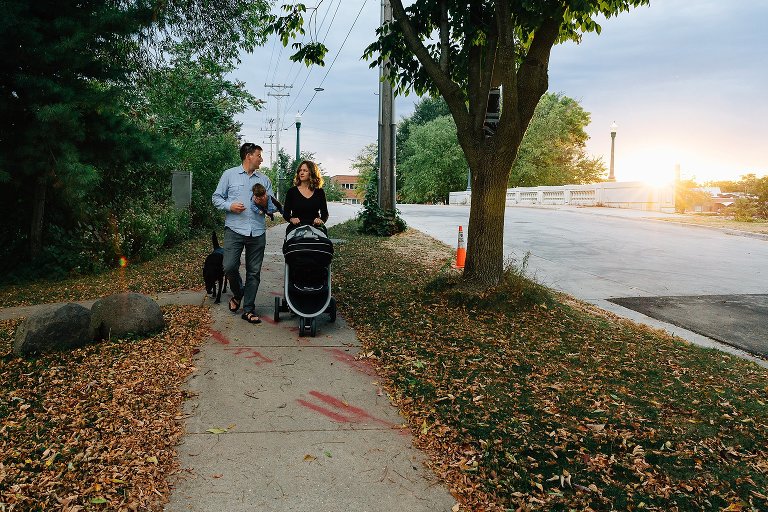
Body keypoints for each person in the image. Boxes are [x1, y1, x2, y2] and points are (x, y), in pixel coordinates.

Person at [212, 143, 274, 324]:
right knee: (229, 267)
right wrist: (229, 206)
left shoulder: (264, 180)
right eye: (259, 155)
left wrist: (263, 203)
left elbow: (271, 208)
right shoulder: (229, 175)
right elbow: (216, 198)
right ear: (248, 156)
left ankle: (248, 309)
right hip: (234, 229)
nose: (261, 159)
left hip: (257, 231)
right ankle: (238, 294)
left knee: (254, 273)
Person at [282, 160, 329, 235]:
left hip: (315, 227)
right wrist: (291, 219)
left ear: (312, 173)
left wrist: (320, 220)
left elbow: (325, 213)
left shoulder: (319, 192)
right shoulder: (291, 192)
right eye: (300, 170)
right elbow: (286, 213)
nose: (301, 173)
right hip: (296, 228)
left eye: (305, 170)